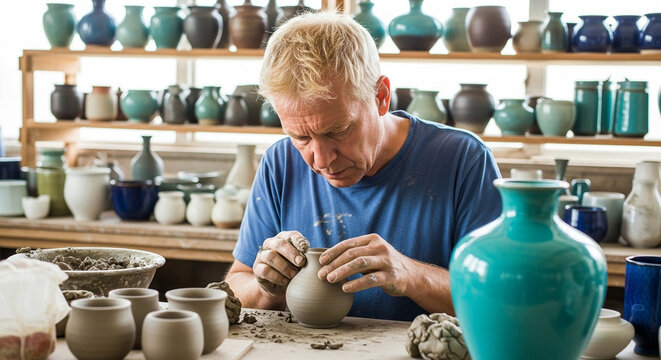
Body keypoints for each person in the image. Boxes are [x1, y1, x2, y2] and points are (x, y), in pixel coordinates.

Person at [224, 11, 502, 322]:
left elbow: (501, 303)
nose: (320, 159)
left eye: (338, 131)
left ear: (381, 96)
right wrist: (266, 287)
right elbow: (238, 283)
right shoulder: (280, 162)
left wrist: (411, 275)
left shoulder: (463, 160)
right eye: (301, 137)